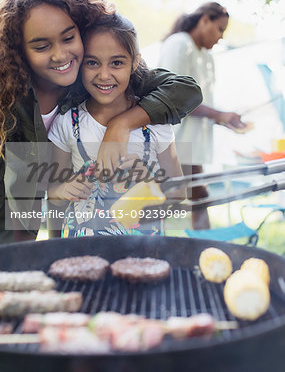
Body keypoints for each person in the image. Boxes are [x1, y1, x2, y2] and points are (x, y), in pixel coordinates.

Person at [0, 0, 202, 244]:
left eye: (69, 38)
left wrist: (122, 125)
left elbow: (186, 90)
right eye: (41, 46)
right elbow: (48, 196)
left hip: (142, 244)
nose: (61, 55)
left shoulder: (94, 81)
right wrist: (54, 244)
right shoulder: (14, 98)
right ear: (19, 50)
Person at [47, 12, 184, 237]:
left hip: (142, 253)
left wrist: (151, 183)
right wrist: (63, 190)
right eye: (92, 62)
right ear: (80, 63)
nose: (104, 75)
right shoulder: (67, 123)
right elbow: (53, 194)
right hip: (81, 251)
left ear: (135, 63)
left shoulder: (156, 124)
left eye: (117, 63)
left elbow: (179, 194)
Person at [158, 2, 249, 230]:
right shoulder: (179, 43)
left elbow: (201, 103)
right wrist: (220, 114)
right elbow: (176, 96)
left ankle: (205, 247)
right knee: (160, 200)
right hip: (172, 141)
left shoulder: (206, 56)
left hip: (191, 145)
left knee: (199, 195)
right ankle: (145, 249)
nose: (220, 38)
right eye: (219, 29)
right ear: (204, 19)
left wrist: (223, 119)